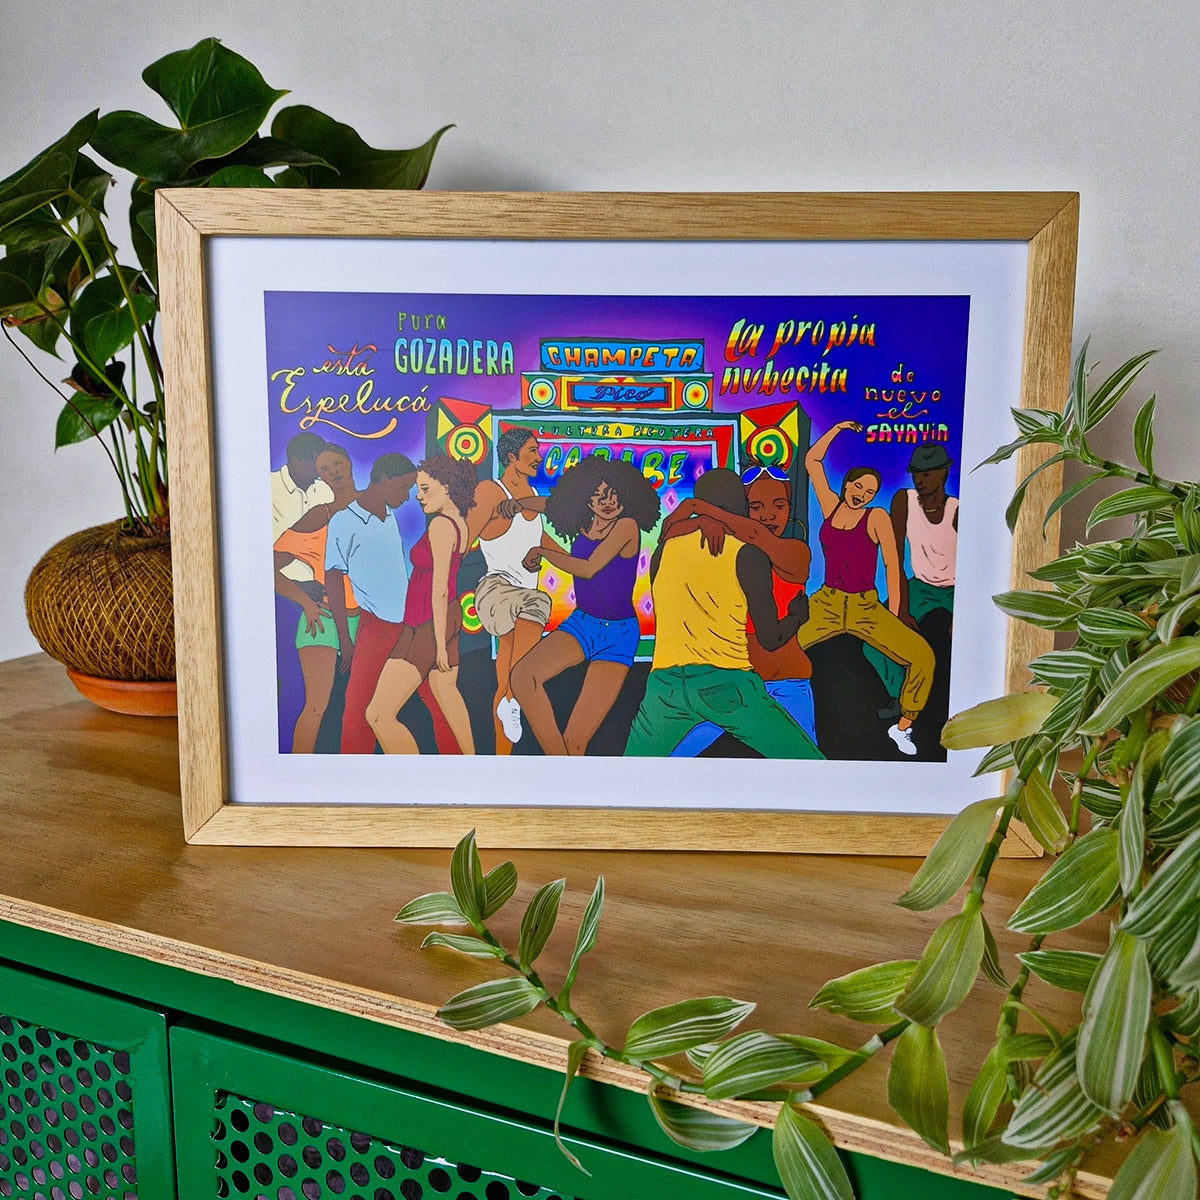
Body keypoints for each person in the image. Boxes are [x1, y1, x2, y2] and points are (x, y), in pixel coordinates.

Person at [624, 469, 823, 759]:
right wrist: (796, 617)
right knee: (807, 763)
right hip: (725, 683)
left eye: (778, 505)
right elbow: (771, 639)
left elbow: (670, 534)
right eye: (754, 506)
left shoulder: (663, 551)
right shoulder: (747, 554)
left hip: (665, 687)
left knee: (632, 769)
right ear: (741, 505)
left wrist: (696, 515)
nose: (766, 515)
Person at [795, 421, 935, 757]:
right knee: (778, 648)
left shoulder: (876, 517)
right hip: (827, 603)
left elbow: (892, 564)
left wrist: (895, 613)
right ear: (847, 484)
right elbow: (812, 461)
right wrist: (838, 428)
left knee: (922, 657)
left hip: (865, 607)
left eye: (870, 492)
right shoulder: (830, 507)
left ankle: (903, 726)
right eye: (858, 486)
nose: (862, 494)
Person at [511, 456, 660, 755]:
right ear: (584, 500)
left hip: (618, 634)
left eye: (613, 493)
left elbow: (589, 568)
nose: (608, 502)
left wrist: (542, 551)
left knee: (576, 741)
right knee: (523, 677)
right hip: (582, 624)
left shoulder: (627, 526)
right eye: (598, 496)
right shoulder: (583, 523)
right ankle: (562, 766)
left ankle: (563, 769)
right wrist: (518, 504)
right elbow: (552, 505)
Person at [367, 455, 477, 754]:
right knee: (447, 692)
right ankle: (474, 763)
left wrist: (439, 645)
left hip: (427, 624)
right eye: (418, 489)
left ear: (447, 486)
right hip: (445, 617)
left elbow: (439, 588)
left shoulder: (441, 525)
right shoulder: (460, 523)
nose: (418, 496)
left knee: (378, 714)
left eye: (425, 489)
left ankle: (412, 773)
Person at [324, 452, 418, 754]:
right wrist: (344, 638)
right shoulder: (344, 521)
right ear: (385, 478)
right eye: (403, 487)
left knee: (398, 706)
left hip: (408, 625)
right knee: (358, 708)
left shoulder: (389, 515)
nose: (407, 497)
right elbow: (333, 581)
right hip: (376, 626)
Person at [467, 427, 554, 752]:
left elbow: (543, 537)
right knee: (538, 602)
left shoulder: (532, 495)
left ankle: (501, 756)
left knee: (504, 683)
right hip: (496, 591)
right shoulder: (492, 490)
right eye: (532, 450)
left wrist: (580, 564)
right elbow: (467, 534)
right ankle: (514, 697)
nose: (538, 457)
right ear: (511, 457)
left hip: (520, 598)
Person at [272, 442, 359, 753]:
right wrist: (306, 602)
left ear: (348, 462)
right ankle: (296, 771)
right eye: (324, 469)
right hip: (322, 622)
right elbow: (268, 566)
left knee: (360, 709)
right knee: (317, 707)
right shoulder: (318, 516)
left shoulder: (374, 506)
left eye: (336, 463)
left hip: (365, 621)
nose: (332, 472)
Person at [866, 444, 959, 721]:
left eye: (927, 474)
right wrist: (901, 608)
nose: (920, 480)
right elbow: (894, 557)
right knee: (874, 640)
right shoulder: (903, 501)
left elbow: (973, 563)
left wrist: (961, 614)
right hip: (920, 586)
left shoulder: (957, 510)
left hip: (955, 589)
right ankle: (900, 696)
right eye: (916, 474)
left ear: (943, 474)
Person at [271, 431, 335, 592]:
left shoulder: (326, 491)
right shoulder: (268, 485)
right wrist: (296, 586)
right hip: (276, 590)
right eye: (312, 459)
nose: (318, 466)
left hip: (322, 589)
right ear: (294, 459)